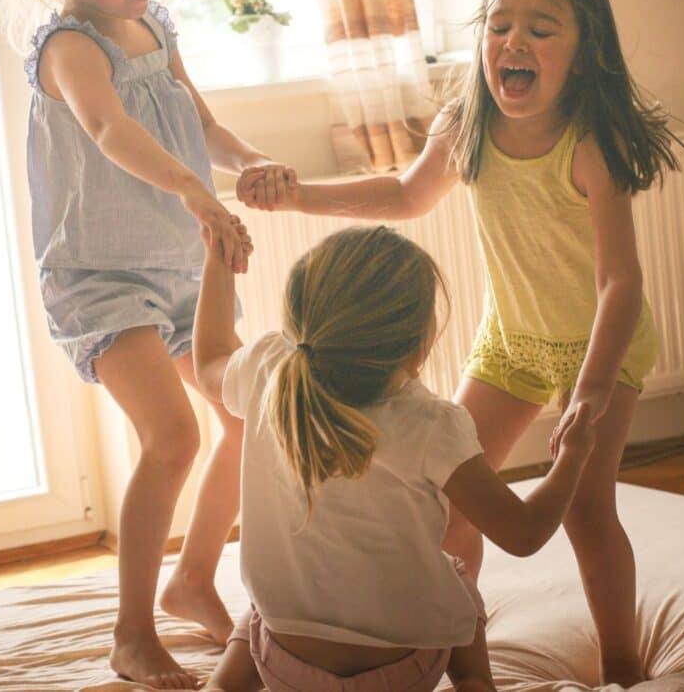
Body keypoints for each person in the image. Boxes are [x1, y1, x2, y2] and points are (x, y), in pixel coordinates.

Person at [239, 0, 679, 685]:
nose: (514, 42)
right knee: (452, 504)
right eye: (499, 25)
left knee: (585, 510)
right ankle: (451, 635)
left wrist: (598, 387)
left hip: (600, 348)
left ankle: (623, 665)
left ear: (584, 51)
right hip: (511, 342)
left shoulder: (589, 146)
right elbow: (405, 196)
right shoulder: (465, 124)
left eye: (542, 30)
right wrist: (300, 196)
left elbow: (620, 283)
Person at [0, 0, 293, 686]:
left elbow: (198, 122)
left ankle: (193, 578)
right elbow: (109, 130)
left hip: (179, 269)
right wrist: (197, 195)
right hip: (100, 274)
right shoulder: (68, 46)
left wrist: (247, 162)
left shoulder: (155, 27)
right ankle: (131, 635)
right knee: (172, 438)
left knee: (247, 419)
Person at [192, 225, 597, 692]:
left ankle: (224, 684)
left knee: (271, 604)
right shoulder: (431, 425)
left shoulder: (268, 369)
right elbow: (524, 533)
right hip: (404, 669)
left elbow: (209, 364)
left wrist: (218, 265)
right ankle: (474, 681)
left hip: (285, 665)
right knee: (456, 576)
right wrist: (572, 455)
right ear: (418, 346)